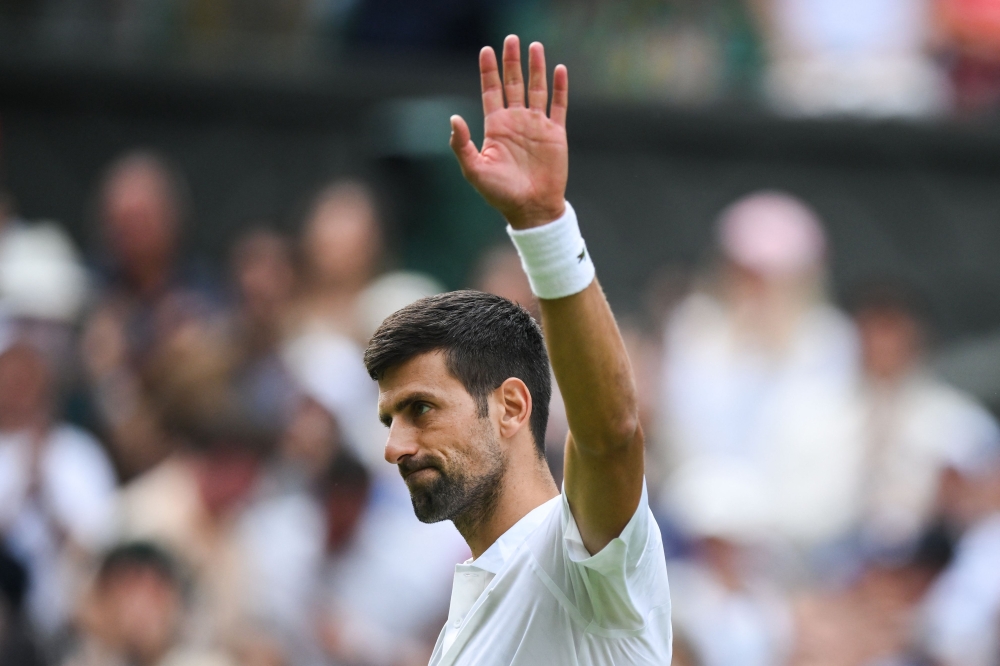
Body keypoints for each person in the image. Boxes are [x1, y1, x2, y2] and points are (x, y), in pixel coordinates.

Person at [362, 35, 671, 664]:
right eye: (390, 419)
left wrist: (544, 225)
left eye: (421, 409)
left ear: (510, 407)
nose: (395, 446)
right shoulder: (465, 619)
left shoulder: (575, 558)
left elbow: (611, 433)